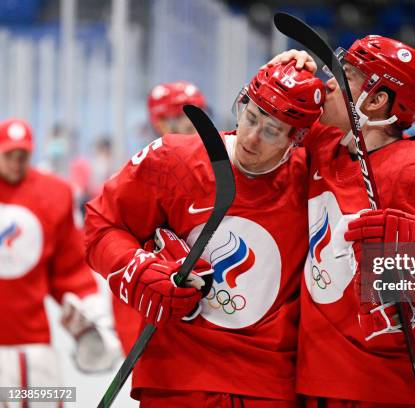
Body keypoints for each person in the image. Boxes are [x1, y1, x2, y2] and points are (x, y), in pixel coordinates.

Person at [84, 62, 325, 407]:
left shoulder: (311, 178)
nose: (251, 137)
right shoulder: (175, 159)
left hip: (267, 383)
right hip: (177, 375)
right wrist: (136, 268)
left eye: (272, 131)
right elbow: (101, 225)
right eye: (252, 116)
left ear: (296, 138)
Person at [269, 35, 415, 407]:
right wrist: (279, 74)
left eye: (346, 75)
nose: (330, 82)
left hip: (400, 388)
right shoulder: (324, 142)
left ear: (377, 100)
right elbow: (256, 134)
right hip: (325, 379)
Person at [0, 118, 121, 404]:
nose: (16, 163)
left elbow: (69, 268)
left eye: (23, 156)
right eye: (8, 155)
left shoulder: (54, 193)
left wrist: (95, 314)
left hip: (35, 343)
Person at [110, 81, 208, 356]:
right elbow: (113, 234)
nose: (189, 126)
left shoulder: (212, 162)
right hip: (161, 303)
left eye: (195, 115)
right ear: (160, 122)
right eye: (177, 118)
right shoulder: (144, 170)